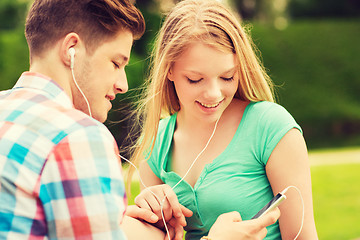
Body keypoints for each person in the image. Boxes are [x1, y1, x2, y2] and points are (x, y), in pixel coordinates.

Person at [0, 0, 279, 239]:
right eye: (116, 62)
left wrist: (132, 228)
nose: (122, 83)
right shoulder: (78, 138)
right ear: (71, 49)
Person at [130, 0, 318, 239]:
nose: (214, 94)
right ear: (169, 70)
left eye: (227, 77)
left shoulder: (270, 127)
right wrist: (147, 224)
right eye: (195, 79)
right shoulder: (155, 144)